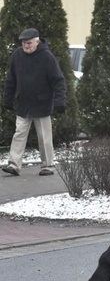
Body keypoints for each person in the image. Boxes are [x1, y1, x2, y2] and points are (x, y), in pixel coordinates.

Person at [2, 28, 66, 176]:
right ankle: (14, 165)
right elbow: (11, 80)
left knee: (44, 137)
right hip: (22, 104)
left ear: (37, 42)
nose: (26, 46)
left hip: (42, 104)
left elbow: (58, 81)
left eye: (29, 43)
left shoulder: (47, 57)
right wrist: (7, 99)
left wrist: (59, 101)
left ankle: (47, 166)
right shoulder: (17, 56)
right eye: (24, 43)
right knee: (19, 134)